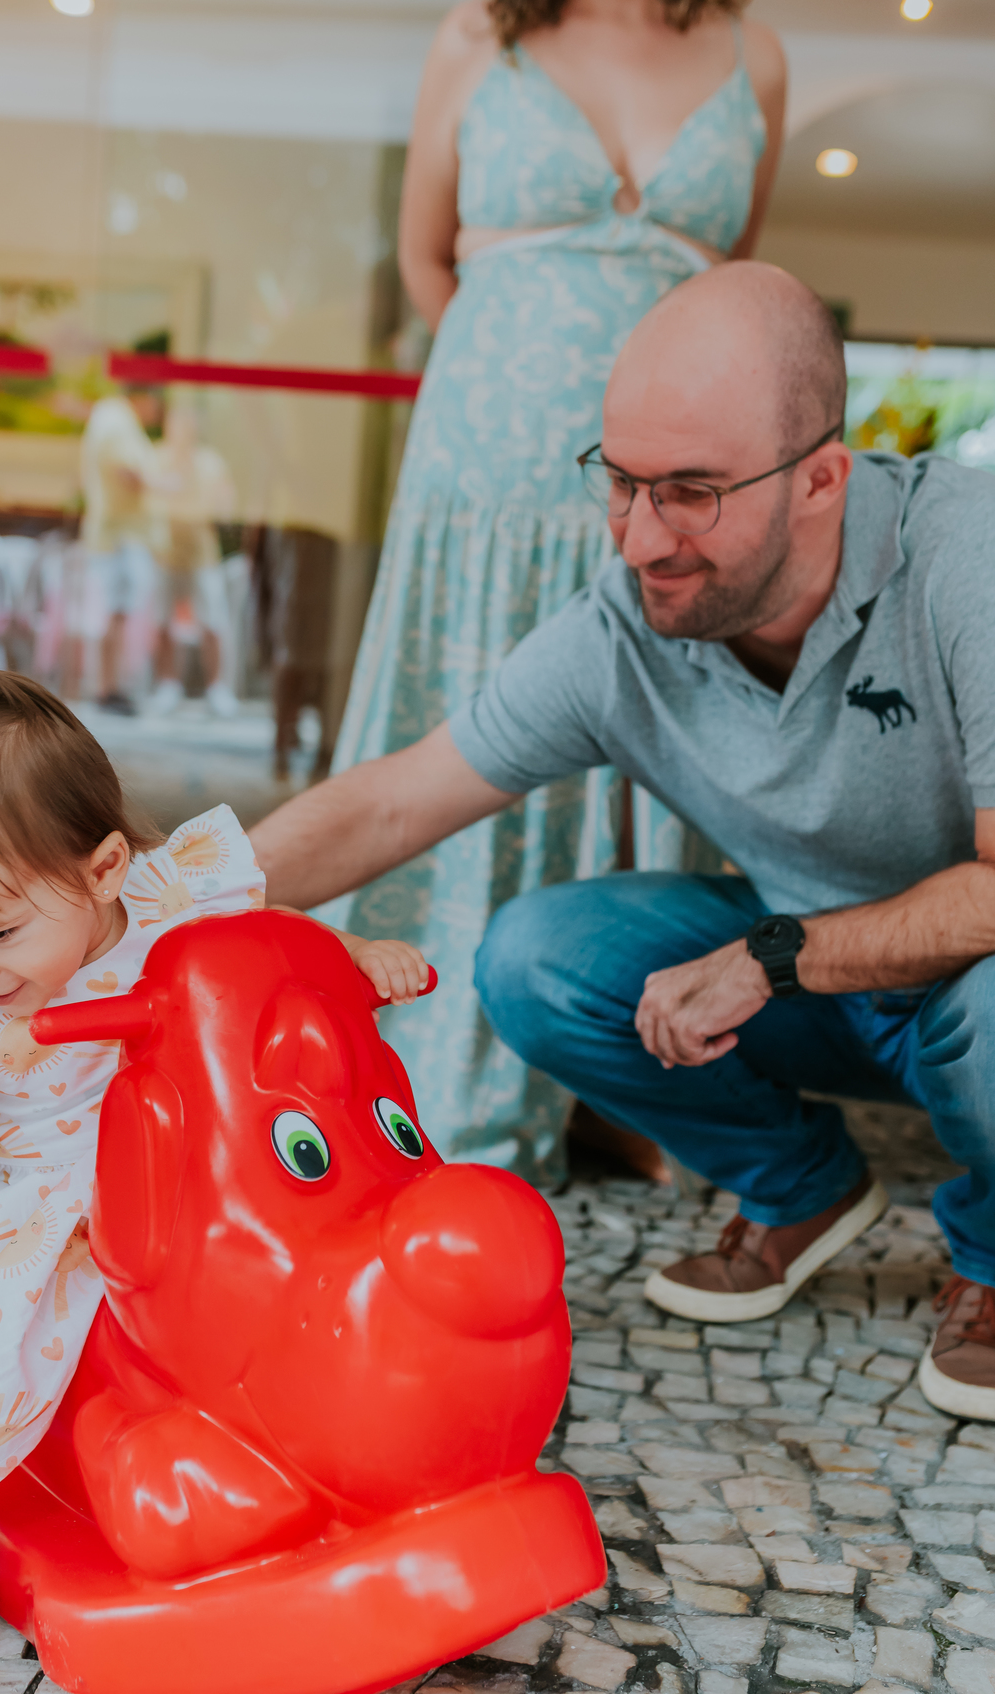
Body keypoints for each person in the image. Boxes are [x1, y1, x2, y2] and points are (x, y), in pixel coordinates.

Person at [251, 261, 995, 1423]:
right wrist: (157, 898)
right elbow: (397, 800)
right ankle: (802, 1190)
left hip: (965, 989)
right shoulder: (625, 626)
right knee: (536, 956)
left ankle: (994, 1255)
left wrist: (771, 958)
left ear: (823, 480)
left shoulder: (969, 556)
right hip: (817, 986)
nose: (643, 538)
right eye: (622, 482)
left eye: (692, 492)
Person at [0, 663, 427, 1694]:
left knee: (331, 1209)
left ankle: (368, 1438)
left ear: (106, 869)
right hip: (40, 1193)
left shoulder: (166, 891)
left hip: (199, 1148)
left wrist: (347, 956)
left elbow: (265, 934)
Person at [319, 0, 785, 1179]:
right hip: (485, 472)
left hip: (669, 490)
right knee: (462, 740)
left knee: (650, 750)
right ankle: (412, 1060)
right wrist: (515, 381)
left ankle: (614, 1080)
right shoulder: (479, 33)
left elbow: (728, 292)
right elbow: (429, 258)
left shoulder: (755, 55)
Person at [147, 398, 240, 720]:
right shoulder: (156, 458)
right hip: (165, 553)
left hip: (202, 554)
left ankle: (218, 689)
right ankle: (167, 686)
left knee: (213, 622)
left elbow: (226, 499)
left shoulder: (211, 462)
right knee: (162, 624)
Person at [79, 387, 164, 716]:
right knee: (114, 611)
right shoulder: (117, 420)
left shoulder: (108, 416)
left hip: (116, 533)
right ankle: (107, 686)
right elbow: (125, 472)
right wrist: (166, 486)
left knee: (115, 611)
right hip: (119, 535)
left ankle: (108, 685)